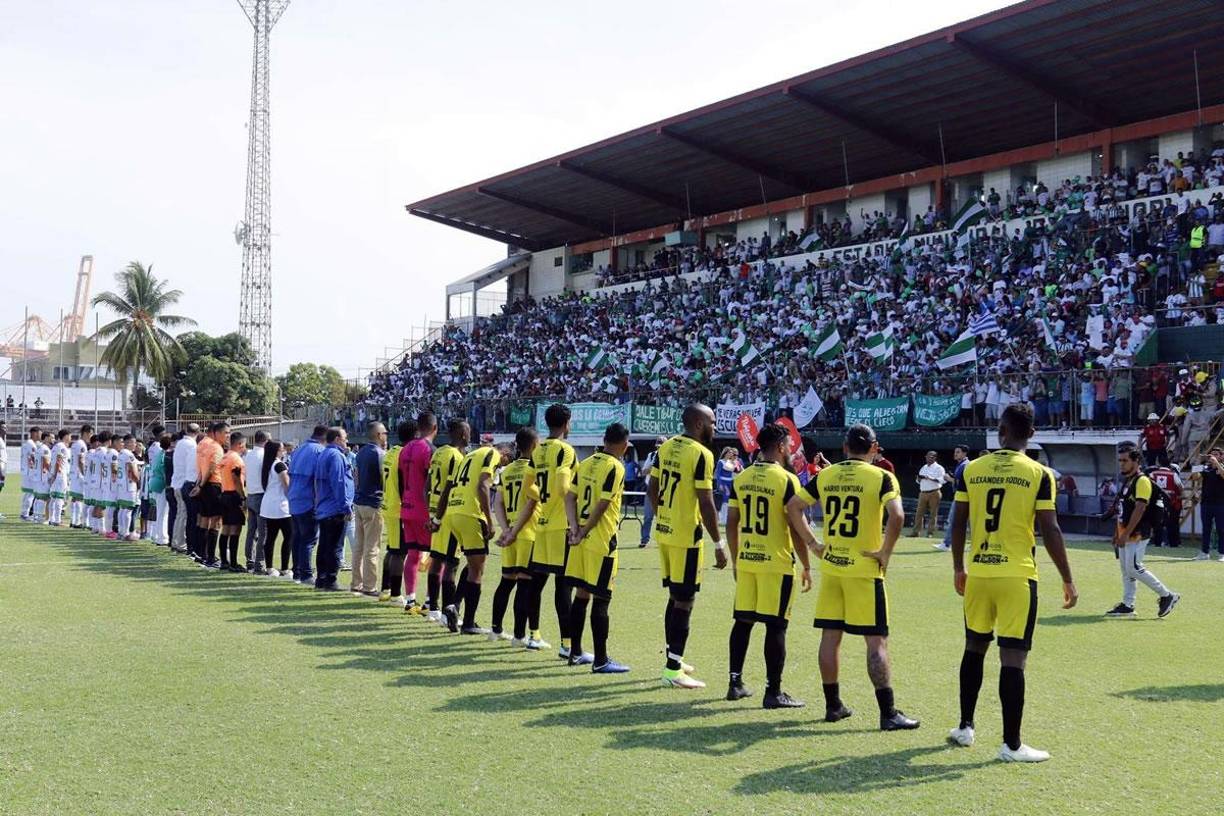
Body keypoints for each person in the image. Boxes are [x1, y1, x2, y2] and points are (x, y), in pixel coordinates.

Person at [950, 403, 1078, 763]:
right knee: (1013, 658)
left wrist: (958, 567)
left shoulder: (970, 469)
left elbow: (958, 523)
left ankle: (965, 726)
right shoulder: (1039, 473)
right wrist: (1067, 578)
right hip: (1017, 575)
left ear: (1000, 431)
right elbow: (1050, 528)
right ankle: (1012, 744)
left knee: (974, 646)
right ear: (1032, 434)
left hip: (978, 573)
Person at [786, 423, 918, 729]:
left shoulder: (826, 475)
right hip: (864, 570)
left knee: (830, 638)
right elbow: (897, 515)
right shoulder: (883, 477)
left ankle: (833, 706)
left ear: (845, 448)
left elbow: (794, 507)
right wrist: (885, 551)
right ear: (874, 448)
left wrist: (813, 544)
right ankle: (888, 713)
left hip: (832, 566)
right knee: (876, 642)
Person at [727, 423, 813, 707]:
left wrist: (737, 558)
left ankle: (735, 682)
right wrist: (807, 564)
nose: (790, 450)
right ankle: (773, 692)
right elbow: (795, 525)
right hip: (776, 563)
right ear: (779, 447)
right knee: (776, 627)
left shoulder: (742, 477)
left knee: (743, 622)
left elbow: (731, 523)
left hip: (748, 561)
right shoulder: (787, 480)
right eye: (789, 445)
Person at [650, 403, 726, 689]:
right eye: (712, 421)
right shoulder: (702, 454)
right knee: (685, 601)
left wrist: (664, 517)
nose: (715, 427)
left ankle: (674, 658)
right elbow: (706, 502)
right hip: (686, 538)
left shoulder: (666, 447)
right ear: (698, 423)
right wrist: (719, 543)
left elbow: (652, 489)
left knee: (674, 597)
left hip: (666, 533)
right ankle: (672, 670)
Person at [563, 422, 632, 673]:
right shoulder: (615, 467)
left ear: (604, 439)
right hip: (601, 541)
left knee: (582, 595)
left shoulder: (588, 462)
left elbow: (570, 497)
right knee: (601, 600)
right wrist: (584, 530)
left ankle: (575, 652)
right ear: (624, 445)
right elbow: (603, 505)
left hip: (579, 541)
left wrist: (574, 527)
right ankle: (601, 660)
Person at [436, 437, 506, 634]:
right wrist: (490, 520)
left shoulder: (469, 456)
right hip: (470, 513)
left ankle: (454, 606)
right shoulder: (492, 454)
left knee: (474, 563)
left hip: (453, 512)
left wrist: (438, 518)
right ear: (505, 454)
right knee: (478, 570)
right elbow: (482, 486)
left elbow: (449, 487)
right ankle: (468, 623)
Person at [525, 405, 578, 657]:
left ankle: (534, 635)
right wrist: (569, 512)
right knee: (563, 586)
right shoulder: (565, 450)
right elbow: (564, 485)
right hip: (561, 526)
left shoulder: (538, 451)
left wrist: (544, 500)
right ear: (566, 422)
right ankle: (567, 644)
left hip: (542, 524)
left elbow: (529, 487)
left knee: (536, 584)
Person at [1107, 445, 1179, 618]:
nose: (1122, 464)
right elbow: (1124, 509)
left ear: (1136, 461)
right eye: (1120, 461)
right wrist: (1118, 532)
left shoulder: (1142, 481)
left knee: (1133, 567)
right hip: (1126, 531)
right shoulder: (1128, 481)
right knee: (1126, 569)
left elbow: (1140, 508)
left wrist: (1125, 533)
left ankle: (1167, 595)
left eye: (1125, 461)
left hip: (1138, 532)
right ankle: (1128, 604)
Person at [495, 427, 546, 648]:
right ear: (535, 446)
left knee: (506, 582)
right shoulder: (534, 472)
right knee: (525, 585)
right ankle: (519, 635)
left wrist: (506, 529)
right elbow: (532, 502)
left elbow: (497, 503)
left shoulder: (506, 471)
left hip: (510, 534)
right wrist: (514, 531)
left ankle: (495, 629)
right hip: (528, 532)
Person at [424, 419, 468, 621]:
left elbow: (427, 485)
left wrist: (430, 513)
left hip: (435, 512)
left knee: (437, 559)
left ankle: (433, 608)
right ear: (462, 434)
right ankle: (447, 612)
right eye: (467, 431)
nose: (469, 435)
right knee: (451, 563)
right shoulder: (457, 457)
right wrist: (440, 516)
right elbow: (451, 488)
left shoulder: (438, 452)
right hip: (448, 515)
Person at [396, 412, 437, 613]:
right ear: (435, 428)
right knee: (435, 556)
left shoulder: (404, 450)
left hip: (407, 508)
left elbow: (399, 481)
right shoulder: (430, 450)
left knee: (412, 554)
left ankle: (410, 600)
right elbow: (431, 484)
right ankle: (430, 601)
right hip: (424, 511)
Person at [313, 427, 354, 591]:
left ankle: (321, 578)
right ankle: (331, 579)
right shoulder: (336, 456)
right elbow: (339, 482)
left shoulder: (323, 453)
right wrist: (345, 507)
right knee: (335, 546)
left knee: (324, 544)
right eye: (344, 437)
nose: (347, 440)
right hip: (334, 507)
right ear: (337, 439)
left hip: (324, 505)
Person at [287, 425, 327, 584]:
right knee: (308, 539)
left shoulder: (300, 449)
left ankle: (297, 571)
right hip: (308, 499)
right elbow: (318, 479)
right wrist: (318, 502)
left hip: (294, 498)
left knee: (297, 537)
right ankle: (306, 574)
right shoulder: (319, 451)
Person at [351, 421, 387, 596]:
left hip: (359, 501)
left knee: (358, 546)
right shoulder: (380, 454)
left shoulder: (361, 452)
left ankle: (356, 582)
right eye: (384, 433)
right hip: (373, 503)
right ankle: (369, 586)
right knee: (372, 547)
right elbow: (384, 480)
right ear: (379, 435)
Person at [378, 420, 411, 606]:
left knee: (393, 548)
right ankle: (396, 594)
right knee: (399, 552)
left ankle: (386, 588)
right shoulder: (404, 454)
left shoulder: (390, 452)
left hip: (388, 504)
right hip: (397, 507)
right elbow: (402, 481)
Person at [191, 422, 228, 568]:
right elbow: (212, 467)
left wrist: (199, 483)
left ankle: (201, 554)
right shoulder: (215, 447)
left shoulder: (201, 444)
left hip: (204, 484)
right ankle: (211, 558)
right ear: (216, 432)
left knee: (204, 520)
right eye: (225, 433)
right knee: (216, 521)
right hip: (214, 485)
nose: (227, 436)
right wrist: (200, 484)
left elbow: (200, 466)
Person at [259, 440, 293, 577]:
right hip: (281, 505)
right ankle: (285, 568)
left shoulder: (267, 464)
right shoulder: (279, 465)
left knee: (271, 537)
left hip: (269, 505)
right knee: (288, 536)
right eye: (282, 449)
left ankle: (269, 567)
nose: (284, 451)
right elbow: (287, 485)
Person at [218, 432, 248, 571]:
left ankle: (224, 561)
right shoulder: (236, 459)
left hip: (224, 493)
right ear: (240, 444)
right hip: (233, 495)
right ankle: (234, 563)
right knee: (235, 529)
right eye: (244, 445)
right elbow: (236, 479)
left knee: (226, 528)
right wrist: (242, 496)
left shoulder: (225, 456)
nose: (244, 448)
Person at [935, 446, 971, 551]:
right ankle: (947, 543)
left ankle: (946, 544)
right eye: (955, 452)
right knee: (961, 521)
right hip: (961, 495)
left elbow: (961, 483)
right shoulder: (961, 464)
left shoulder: (965, 465)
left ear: (964, 453)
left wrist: (948, 478)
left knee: (954, 520)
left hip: (962, 496)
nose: (955, 454)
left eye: (958, 452)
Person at [171, 423, 200, 555]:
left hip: (176, 482)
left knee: (179, 514)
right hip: (183, 482)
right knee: (184, 515)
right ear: (198, 432)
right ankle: (181, 543)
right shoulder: (191, 445)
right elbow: (192, 466)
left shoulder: (180, 443)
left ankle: (176, 541)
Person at [242, 430, 268, 572]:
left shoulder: (249, 455)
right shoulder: (264, 455)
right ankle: (259, 562)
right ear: (265, 440)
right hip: (260, 495)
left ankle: (249, 560)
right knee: (263, 532)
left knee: (251, 531)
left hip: (250, 494)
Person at [1197, 448, 1224, 561]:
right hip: (1206, 503)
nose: (1212, 456)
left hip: (1221, 504)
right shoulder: (1205, 468)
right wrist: (1197, 463)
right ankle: (1204, 552)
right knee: (1206, 529)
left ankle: (1222, 554)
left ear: (1221, 456)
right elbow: (1195, 477)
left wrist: (1217, 463)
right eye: (1211, 454)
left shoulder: (1222, 466)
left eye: (1216, 454)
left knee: (1221, 529)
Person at [1148, 462, 1183, 548]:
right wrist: (1179, 495)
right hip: (1170, 502)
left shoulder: (1153, 473)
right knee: (1171, 523)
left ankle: (1157, 542)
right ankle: (1173, 543)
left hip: (1155, 501)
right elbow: (1180, 486)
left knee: (1157, 522)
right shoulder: (1173, 475)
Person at [639, 436, 666, 547]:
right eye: (658, 445)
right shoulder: (651, 456)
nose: (659, 447)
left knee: (665, 518)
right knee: (648, 516)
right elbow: (643, 472)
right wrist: (654, 466)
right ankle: (644, 539)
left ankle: (665, 540)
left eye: (661, 445)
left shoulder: (670, 456)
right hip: (651, 490)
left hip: (665, 491)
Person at [912, 450, 945, 537]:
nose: (928, 458)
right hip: (923, 492)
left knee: (933, 514)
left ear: (935, 458)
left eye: (931, 457)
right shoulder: (923, 467)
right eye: (927, 456)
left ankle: (930, 533)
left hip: (934, 492)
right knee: (919, 513)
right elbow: (918, 481)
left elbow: (943, 480)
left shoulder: (939, 468)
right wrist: (919, 479)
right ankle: (916, 532)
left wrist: (930, 478)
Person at [68, 425, 92, 529]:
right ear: (86, 433)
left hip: (73, 473)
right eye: (91, 434)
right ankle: (77, 522)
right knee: (79, 498)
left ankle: (73, 520)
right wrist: (85, 474)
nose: (91, 436)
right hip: (78, 475)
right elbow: (81, 461)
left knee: (74, 498)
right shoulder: (82, 445)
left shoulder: (75, 444)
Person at [47, 429, 71, 527]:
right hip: (60, 475)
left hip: (56, 474)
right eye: (69, 436)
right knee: (59, 498)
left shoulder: (56, 446)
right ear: (65, 436)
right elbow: (58, 461)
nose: (70, 438)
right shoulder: (62, 447)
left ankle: (52, 519)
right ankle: (57, 520)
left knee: (54, 498)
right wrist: (56, 475)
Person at [713, 446, 741, 524]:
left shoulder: (731, 462)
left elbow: (736, 471)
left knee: (728, 500)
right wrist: (720, 485)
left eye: (732, 453)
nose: (731, 454)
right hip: (723, 482)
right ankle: (722, 519)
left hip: (730, 482)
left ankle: (725, 519)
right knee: (723, 500)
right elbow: (718, 474)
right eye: (729, 452)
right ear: (726, 453)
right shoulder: (720, 462)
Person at [19, 426, 39, 521]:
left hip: (26, 471)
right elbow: (33, 458)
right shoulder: (31, 445)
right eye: (39, 433)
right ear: (34, 433)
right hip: (29, 472)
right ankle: (25, 514)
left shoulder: (27, 443)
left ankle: (24, 513)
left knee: (28, 494)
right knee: (30, 493)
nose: (40, 435)